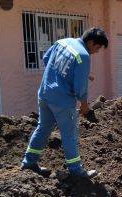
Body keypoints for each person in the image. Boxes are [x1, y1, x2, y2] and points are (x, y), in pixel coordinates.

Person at [21, 27, 108, 179]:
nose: (97, 51)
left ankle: (29, 162)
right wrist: (84, 105)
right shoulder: (83, 56)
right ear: (91, 42)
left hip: (45, 93)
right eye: (98, 47)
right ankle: (75, 170)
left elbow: (47, 60)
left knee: (43, 128)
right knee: (69, 135)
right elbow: (80, 87)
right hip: (62, 102)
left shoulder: (62, 42)